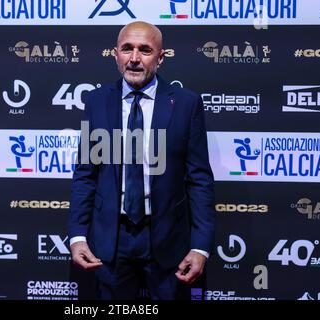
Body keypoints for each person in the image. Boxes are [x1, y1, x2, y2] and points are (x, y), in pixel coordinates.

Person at [68, 21, 215, 300]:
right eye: (127, 49)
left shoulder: (186, 103)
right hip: (109, 241)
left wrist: (200, 247)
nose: (134, 58)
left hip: (168, 241)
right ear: (115, 54)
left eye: (145, 50)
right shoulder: (98, 101)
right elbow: (86, 173)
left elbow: (199, 180)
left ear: (160, 58)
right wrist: (77, 236)